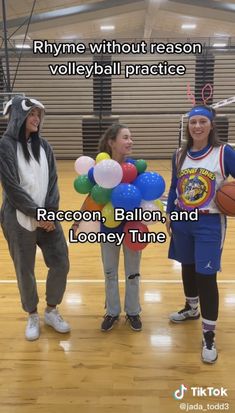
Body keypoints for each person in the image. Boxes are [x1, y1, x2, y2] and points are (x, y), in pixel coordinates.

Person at [166, 104, 235, 364]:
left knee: (206, 276)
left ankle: (208, 335)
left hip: (209, 222)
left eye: (202, 122)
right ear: (188, 126)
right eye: (193, 122)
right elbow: (175, 186)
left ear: (211, 125)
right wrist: (171, 212)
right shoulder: (179, 154)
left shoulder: (223, 152)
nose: (197, 126)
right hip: (183, 220)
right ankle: (191, 308)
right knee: (187, 265)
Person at [0, 95, 70, 341]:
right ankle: (32, 314)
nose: (37, 119)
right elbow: (12, 188)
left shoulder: (45, 146)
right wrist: (38, 214)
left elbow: (53, 183)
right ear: (18, 116)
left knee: (61, 262)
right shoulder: (5, 146)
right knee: (25, 269)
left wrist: (49, 213)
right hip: (18, 219)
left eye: (38, 115)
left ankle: (51, 310)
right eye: (32, 114)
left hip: (47, 219)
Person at [73, 123, 142, 332]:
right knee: (110, 272)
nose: (130, 141)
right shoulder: (101, 169)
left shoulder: (135, 169)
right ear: (112, 142)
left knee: (133, 272)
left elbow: (145, 198)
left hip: (132, 227)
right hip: (108, 227)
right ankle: (112, 311)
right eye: (126, 137)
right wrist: (79, 220)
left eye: (131, 137)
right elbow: (92, 196)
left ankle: (133, 311)